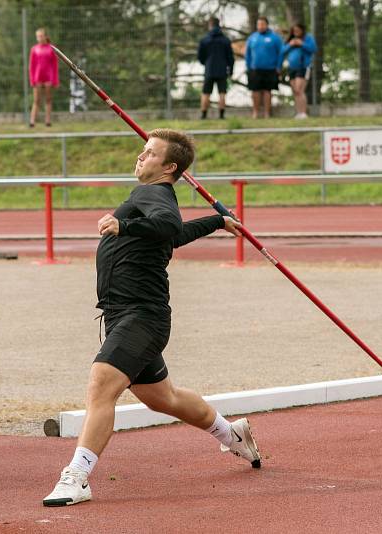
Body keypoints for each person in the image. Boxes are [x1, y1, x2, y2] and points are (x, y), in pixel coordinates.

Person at [42, 129, 262, 507]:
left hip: (141, 317)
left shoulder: (153, 194)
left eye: (149, 153)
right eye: (142, 151)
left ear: (169, 167)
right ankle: (232, 434)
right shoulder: (154, 196)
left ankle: (77, 477)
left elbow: (167, 226)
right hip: (125, 314)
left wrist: (123, 225)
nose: (140, 157)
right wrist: (215, 221)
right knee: (163, 398)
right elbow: (171, 235)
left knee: (101, 385)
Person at [244, 16, 283, 119]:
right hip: (255, 69)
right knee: (255, 91)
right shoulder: (252, 38)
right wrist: (248, 66)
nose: (260, 26)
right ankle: (255, 112)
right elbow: (247, 53)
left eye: (262, 24)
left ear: (267, 25)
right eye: (258, 24)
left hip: (270, 69)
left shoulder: (275, 38)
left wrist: (279, 66)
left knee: (267, 91)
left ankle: (267, 113)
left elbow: (281, 53)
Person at [197, 17, 234, 120]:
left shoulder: (205, 40)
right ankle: (221, 115)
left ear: (210, 25)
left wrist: (206, 63)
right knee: (222, 92)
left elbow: (200, 56)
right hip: (222, 70)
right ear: (219, 25)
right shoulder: (225, 40)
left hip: (209, 70)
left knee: (206, 92)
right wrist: (230, 69)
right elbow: (230, 57)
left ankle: (203, 115)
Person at [280, 23, 316, 119]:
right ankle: (298, 112)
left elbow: (313, 49)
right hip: (292, 68)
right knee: (295, 91)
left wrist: (302, 44)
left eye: (298, 30)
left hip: (303, 67)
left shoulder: (307, 38)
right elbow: (282, 51)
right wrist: (290, 45)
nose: (296, 32)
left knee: (300, 90)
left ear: (302, 30)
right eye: (294, 31)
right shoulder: (290, 40)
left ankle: (303, 112)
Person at [28, 28, 59, 127]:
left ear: (45, 36)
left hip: (48, 77)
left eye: (41, 36)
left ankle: (48, 121)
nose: (39, 38)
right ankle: (32, 121)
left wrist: (55, 80)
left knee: (48, 99)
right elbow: (31, 66)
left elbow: (55, 65)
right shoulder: (34, 49)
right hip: (38, 77)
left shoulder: (51, 48)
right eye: (38, 36)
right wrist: (32, 80)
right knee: (36, 100)